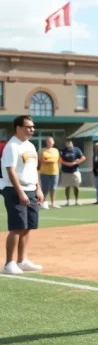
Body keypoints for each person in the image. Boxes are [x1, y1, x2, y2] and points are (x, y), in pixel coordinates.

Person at [1, 115, 45, 275]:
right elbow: (10, 170)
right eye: (28, 127)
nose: (32, 129)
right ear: (18, 128)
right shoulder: (12, 146)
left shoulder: (31, 146)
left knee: (28, 227)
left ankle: (22, 260)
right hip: (14, 190)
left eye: (33, 126)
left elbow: (34, 169)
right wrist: (20, 191)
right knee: (17, 226)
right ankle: (9, 263)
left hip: (31, 189)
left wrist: (38, 188)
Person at [59, 139, 85, 206]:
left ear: (72, 143)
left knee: (76, 186)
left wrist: (76, 162)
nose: (68, 144)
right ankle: (67, 201)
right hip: (66, 171)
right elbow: (59, 160)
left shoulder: (77, 150)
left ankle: (77, 201)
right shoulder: (63, 151)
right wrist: (67, 163)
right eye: (67, 143)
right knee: (67, 186)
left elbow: (83, 158)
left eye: (69, 142)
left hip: (75, 171)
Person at [39, 136, 60, 209]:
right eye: (48, 141)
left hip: (55, 172)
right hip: (45, 172)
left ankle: (53, 203)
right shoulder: (43, 150)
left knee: (53, 188)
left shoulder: (56, 150)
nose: (49, 143)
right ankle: (43, 202)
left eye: (51, 141)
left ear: (53, 142)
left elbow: (57, 159)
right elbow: (42, 160)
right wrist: (51, 160)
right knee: (45, 188)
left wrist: (48, 160)